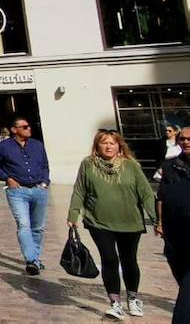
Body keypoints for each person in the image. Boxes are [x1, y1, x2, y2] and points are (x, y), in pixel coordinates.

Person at [68, 130, 157, 320]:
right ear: (97, 146)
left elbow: (146, 193)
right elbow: (79, 190)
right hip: (98, 221)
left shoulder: (131, 165)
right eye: (104, 143)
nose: (108, 146)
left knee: (129, 260)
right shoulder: (88, 164)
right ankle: (115, 303)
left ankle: (132, 298)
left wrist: (158, 219)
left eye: (112, 143)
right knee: (109, 259)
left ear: (119, 146)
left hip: (130, 222)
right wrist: (73, 214)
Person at [0, 116, 51, 276]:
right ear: (14, 130)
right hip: (18, 191)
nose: (28, 128)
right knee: (24, 225)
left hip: (39, 188)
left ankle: (36, 259)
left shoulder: (37, 145)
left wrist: (45, 181)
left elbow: (45, 164)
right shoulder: (3, 147)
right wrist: (7, 178)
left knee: (38, 227)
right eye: (24, 127)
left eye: (29, 126)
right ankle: (31, 259)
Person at [158, 127, 190, 323]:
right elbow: (161, 197)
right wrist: (160, 223)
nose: (186, 142)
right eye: (183, 139)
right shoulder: (171, 166)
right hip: (177, 240)